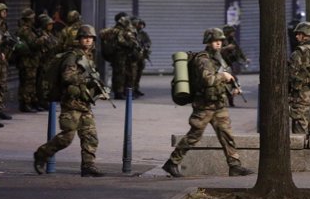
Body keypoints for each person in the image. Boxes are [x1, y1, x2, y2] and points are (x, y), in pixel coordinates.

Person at [162, 28, 254, 178]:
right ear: (208, 42)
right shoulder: (203, 59)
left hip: (218, 104)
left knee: (227, 135)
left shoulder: (218, 58)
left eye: (220, 41)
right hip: (204, 105)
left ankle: (235, 166)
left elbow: (221, 80)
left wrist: (232, 89)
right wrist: (223, 76)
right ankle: (172, 162)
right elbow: (208, 80)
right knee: (194, 136)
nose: (218, 43)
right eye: (214, 41)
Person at [33, 24, 105, 177]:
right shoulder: (72, 56)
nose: (87, 40)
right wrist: (86, 79)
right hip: (71, 103)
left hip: (84, 103)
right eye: (84, 38)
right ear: (79, 39)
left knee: (90, 136)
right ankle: (41, 154)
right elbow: (67, 77)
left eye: (90, 38)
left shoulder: (89, 56)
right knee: (67, 137)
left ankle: (88, 165)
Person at [100, 12, 140, 100]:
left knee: (124, 74)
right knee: (119, 74)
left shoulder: (119, 30)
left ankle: (124, 92)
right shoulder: (118, 31)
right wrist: (130, 43)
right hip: (119, 56)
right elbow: (122, 42)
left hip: (123, 56)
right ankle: (119, 92)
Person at [15, 8, 41, 113]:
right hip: (27, 61)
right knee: (27, 82)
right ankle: (25, 103)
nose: (34, 20)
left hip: (31, 61)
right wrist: (42, 40)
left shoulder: (29, 29)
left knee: (31, 82)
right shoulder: (25, 30)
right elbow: (33, 44)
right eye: (32, 18)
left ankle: (30, 102)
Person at [132, 17, 151, 97]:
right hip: (134, 57)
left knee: (139, 74)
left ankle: (136, 89)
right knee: (133, 74)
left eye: (142, 24)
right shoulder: (132, 33)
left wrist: (146, 45)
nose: (141, 26)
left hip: (141, 56)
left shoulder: (143, 34)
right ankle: (131, 90)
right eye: (140, 24)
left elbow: (148, 42)